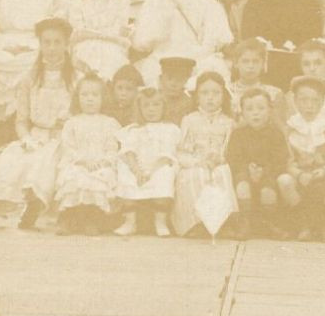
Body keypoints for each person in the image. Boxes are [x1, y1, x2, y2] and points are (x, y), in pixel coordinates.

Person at [0, 18, 76, 230]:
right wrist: (26, 138)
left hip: (63, 137)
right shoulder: (30, 78)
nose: (52, 48)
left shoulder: (76, 78)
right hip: (35, 135)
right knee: (12, 157)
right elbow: (21, 121)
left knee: (45, 162)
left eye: (57, 42)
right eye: (47, 42)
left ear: (66, 45)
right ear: (40, 44)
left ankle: (34, 208)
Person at [133, 0, 233, 86]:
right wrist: (165, 11)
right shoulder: (154, 2)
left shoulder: (206, 3)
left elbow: (215, 39)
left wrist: (198, 56)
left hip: (198, 58)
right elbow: (143, 43)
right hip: (162, 57)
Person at [240, 0, 324, 87]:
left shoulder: (309, 2)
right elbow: (248, 37)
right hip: (264, 65)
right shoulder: (256, 1)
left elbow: (313, 37)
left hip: (298, 64)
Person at [53, 75, 123, 235]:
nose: (89, 99)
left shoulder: (109, 123)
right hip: (78, 162)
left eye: (95, 95)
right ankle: (67, 217)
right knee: (74, 177)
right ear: (77, 98)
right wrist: (81, 160)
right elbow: (68, 146)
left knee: (100, 178)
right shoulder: (72, 123)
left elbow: (112, 147)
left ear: (103, 98)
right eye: (84, 95)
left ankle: (92, 219)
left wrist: (104, 161)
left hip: (100, 163)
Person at [171, 72, 236, 238]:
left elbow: (231, 150)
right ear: (197, 97)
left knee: (222, 174)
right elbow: (180, 151)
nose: (210, 98)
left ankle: (222, 222)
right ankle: (196, 223)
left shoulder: (228, 122)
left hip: (219, 164)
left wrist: (220, 159)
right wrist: (197, 161)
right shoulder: (189, 120)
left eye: (216, 93)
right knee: (196, 176)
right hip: (194, 163)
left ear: (223, 96)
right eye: (205, 93)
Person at [226, 87, 293, 240]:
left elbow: (281, 159)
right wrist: (248, 169)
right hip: (244, 173)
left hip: (268, 173)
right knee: (242, 185)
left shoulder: (276, 133)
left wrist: (263, 171)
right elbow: (233, 158)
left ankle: (269, 222)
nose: (255, 113)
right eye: (249, 109)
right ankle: (245, 222)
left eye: (261, 108)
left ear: (270, 110)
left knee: (268, 190)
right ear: (242, 113)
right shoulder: (238, 134)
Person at [285, 74, 325, 242]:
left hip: (322, 170)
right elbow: (286, 158)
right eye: (304, 101)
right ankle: (303, 223)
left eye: (315, 101)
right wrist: (297, 173)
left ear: (322, 103)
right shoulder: (290, 127)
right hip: (298, 171)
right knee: (284, 181)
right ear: (295, 102)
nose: (309, 106)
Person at [114, 88, 182, 237]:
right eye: (146, 105)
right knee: (124, 171)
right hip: (138, 167)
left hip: (159, 166)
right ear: (139, 108)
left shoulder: (170, 129)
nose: (151, 109)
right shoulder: (134, 130)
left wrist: (151, 171)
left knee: (165, 173)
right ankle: (130, 222)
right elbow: (129, 151)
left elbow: (167, 154)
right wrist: (136, 170)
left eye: (156, 105)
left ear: (164, 107)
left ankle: (160, 221)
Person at [68, 0, 130, 80]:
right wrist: (105, 35)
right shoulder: (78, 0)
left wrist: (96, 33)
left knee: (114, 64)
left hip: (113, 48)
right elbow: (78, 31)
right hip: (84, 46)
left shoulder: (122, 2)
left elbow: (120, 31)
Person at [156, 55, 196, 125]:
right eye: (169, 78)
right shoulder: (154, 99)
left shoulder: (189, 103)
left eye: (179, 79)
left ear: (186, 81)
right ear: (161, 79)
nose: (174, 84)